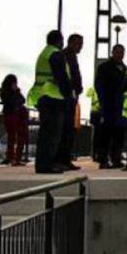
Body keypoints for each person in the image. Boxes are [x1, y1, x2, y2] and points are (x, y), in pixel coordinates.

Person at [27, 30, 72, 174]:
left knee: (46, 133)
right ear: (59, 41)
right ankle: (47, 165)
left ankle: (43, 164)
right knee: (52, 135)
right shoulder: (55, 54)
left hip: (43, 97)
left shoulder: (44, 53)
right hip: (53, 98)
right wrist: (68, 95)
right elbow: (61, 77)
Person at [95, 44, 127, 168]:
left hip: (121, 106)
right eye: (118, 52)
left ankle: (116, 158)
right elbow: (99, 86)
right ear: (112, 52)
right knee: (106, 133)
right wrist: (103, 102)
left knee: (119, 134)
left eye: (122, 52)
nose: (120, 55)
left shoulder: (125, 69)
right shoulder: (104, 68)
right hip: (109, 105)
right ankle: (103, 159)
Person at [56, 34, 83, 171]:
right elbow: (67, 75)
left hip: (72, 96)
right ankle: (61, 159)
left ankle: (66, 159)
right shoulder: (66, 55)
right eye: (79, 44)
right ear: (71, 43)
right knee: (65, 130)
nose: (81, 47)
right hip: (67, 97)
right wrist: (74, 88)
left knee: (69, 130)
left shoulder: (71, 56)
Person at [0, 74, 28, 166]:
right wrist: (16, 94)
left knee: (20, 136)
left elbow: (23, 100)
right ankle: (11, 157)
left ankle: (16, 158)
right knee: (12, 137)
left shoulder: (16, 92)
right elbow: (10, 101)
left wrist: (17, 92)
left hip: (19, 116)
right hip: (11, 115)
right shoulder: (5, 92)